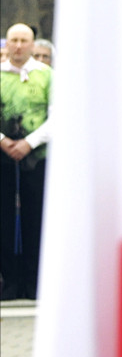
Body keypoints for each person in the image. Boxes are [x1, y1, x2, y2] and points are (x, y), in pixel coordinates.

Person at [0, 23, 52, 300]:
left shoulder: (46, 76)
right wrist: (3, 141)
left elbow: (57, 115)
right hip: (2, 156)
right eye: (13, 40)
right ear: (6, 44)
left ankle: (34, 282)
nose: (18, 45)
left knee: (35, 218)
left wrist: (29, 142)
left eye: (24, 40)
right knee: (4, 220)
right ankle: (9, 282)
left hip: (36, 157)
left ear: (32, 45)